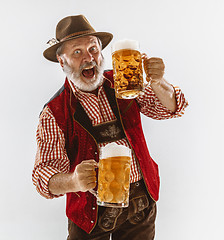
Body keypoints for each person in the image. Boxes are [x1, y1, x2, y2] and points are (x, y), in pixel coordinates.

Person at [32, 15, 188, 240]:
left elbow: (171, 109)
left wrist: (158, 81)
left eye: (93, 48)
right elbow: (43, 176)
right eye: (77, 52)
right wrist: (73, 181)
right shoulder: (54, 112)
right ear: (62, 61)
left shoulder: (125, 80)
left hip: (140, 205)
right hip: (90, 214)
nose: (88, 58)